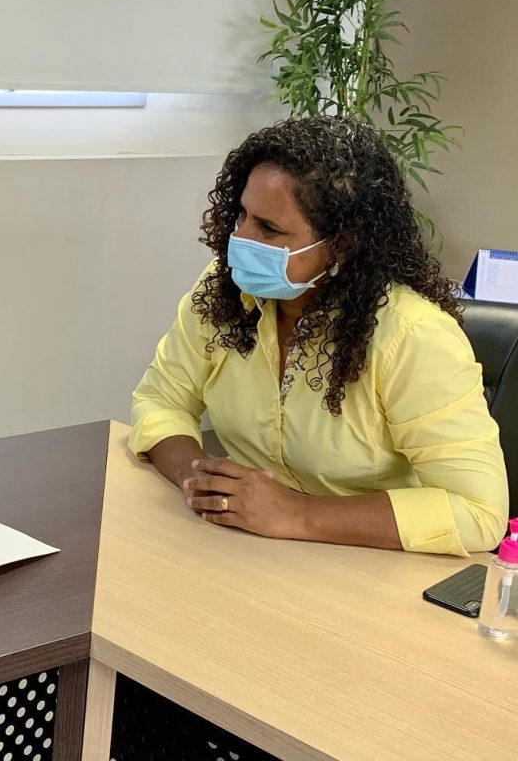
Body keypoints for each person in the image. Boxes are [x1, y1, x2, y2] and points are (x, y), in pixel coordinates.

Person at [130, 116, 508, 556]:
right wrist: (198, 481)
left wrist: (295, 513)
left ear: (341, 245)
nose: (240, 241)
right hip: (243, 546)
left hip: (368, 563)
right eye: (242, 216)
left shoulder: (413, 336)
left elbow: (478, 512)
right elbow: (160, 400)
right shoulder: (224, 292)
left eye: (269, 229)